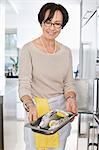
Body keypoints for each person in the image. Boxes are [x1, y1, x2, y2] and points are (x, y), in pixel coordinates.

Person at [18, 2, 78, 150]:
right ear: (41, 22)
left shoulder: (66, 52)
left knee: (58, 146)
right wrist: (30, 105)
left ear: (62, 25)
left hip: (60, 112)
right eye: (48, 22)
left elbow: (69, 83)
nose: (52, 28)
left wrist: (71, 98)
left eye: (57, 24)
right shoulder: (28, 50)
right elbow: (24, 85)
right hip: (36, 110)